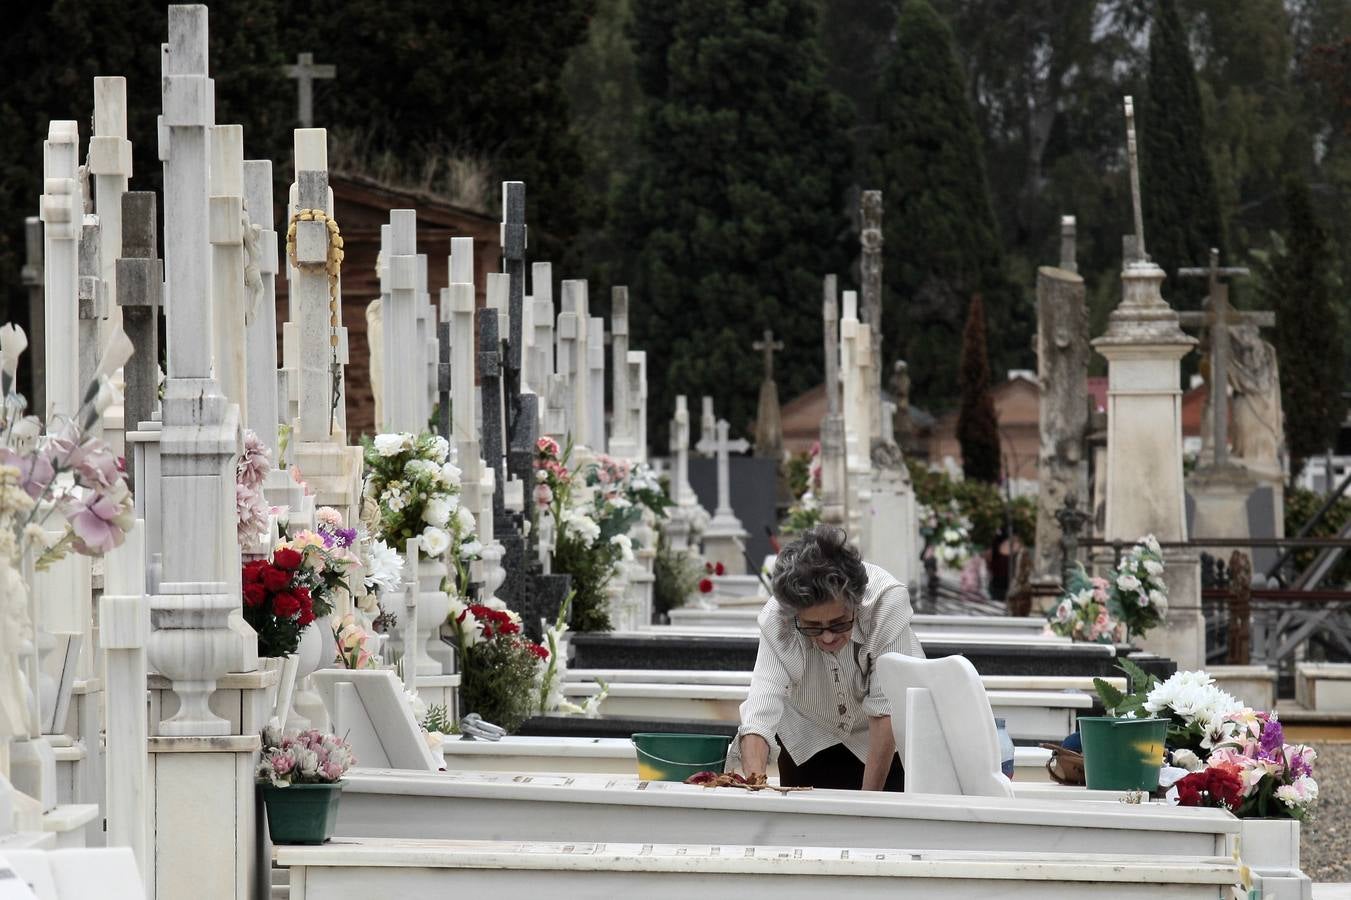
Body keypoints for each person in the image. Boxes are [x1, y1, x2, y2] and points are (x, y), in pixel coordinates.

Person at [728, 525, 924, 791]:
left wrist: (867, 806)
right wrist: (755, 788)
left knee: (883, 827)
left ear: (855, 602)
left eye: (839, 623)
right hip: (807, 735)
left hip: (886, 742)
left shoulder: (885, 603)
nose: (828, 637)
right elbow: (759, 712)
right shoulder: (777, 619)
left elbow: (885, 709)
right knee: (805, 831)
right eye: (813, 627)